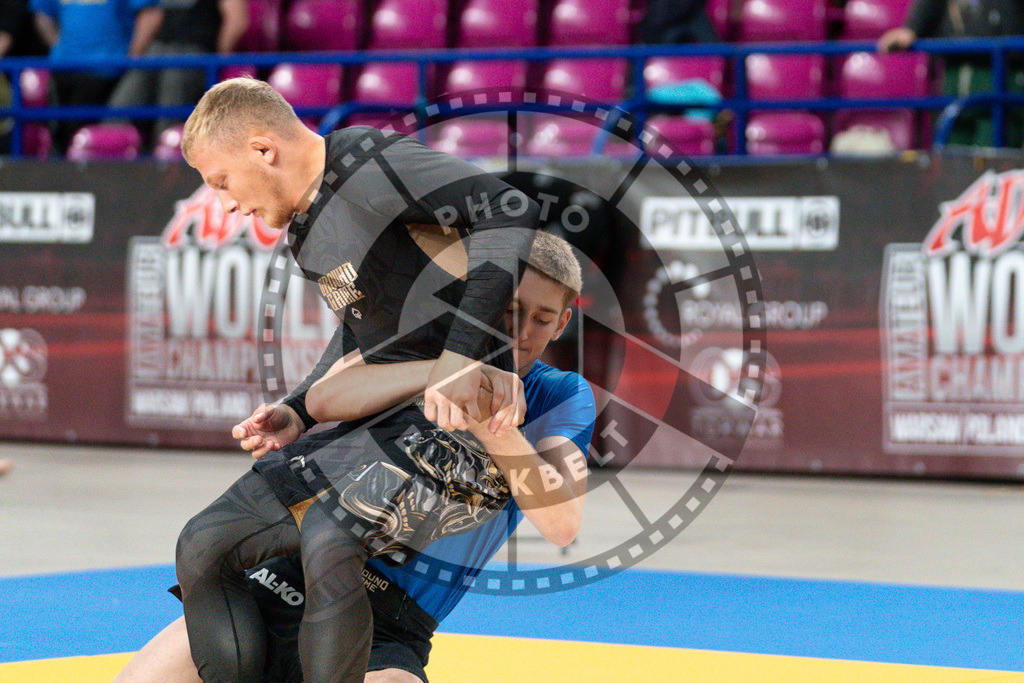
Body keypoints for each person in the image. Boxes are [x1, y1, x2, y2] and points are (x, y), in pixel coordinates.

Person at [174, 76, 539, 682]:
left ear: (265, 150)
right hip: (386, 414)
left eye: (222, 181)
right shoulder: (304, 231)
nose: (228, 204)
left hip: (460, 427)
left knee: (329, 534)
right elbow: (361, 332)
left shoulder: (368, 163)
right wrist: (299, 410)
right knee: (202, 547)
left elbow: (508, 209)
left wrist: (461, 359)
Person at [115, 231, 595, 683]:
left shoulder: (560, 396)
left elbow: (562, 524)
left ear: (563, 322)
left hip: (387, 626)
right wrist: (447, 372)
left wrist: (485, 416)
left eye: (542, 318)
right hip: (283, 573)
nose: (522, 332)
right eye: (509, 310)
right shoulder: (423, 343)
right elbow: (328, 398)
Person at [878, 0, 1024, 147]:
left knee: (992, 159)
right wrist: (911, 28)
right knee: (953, 157)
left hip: (1002, 71)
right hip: (955, 72)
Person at [107, 0, 250, 147]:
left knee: (172, 93)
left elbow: (237, 21)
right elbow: (153, 15)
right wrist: (135, 56)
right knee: (125, 97)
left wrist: (220, 56)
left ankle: (164, 157)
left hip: (194, 51)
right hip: (157, 48)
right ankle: (107, 149)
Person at [31, 0, 164, 150]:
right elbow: (42, 12)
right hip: (63, 71)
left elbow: (151, 13)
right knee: (62, 140)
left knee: (95, 142)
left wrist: (132, 58)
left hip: (108, 72)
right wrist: (59, 48)